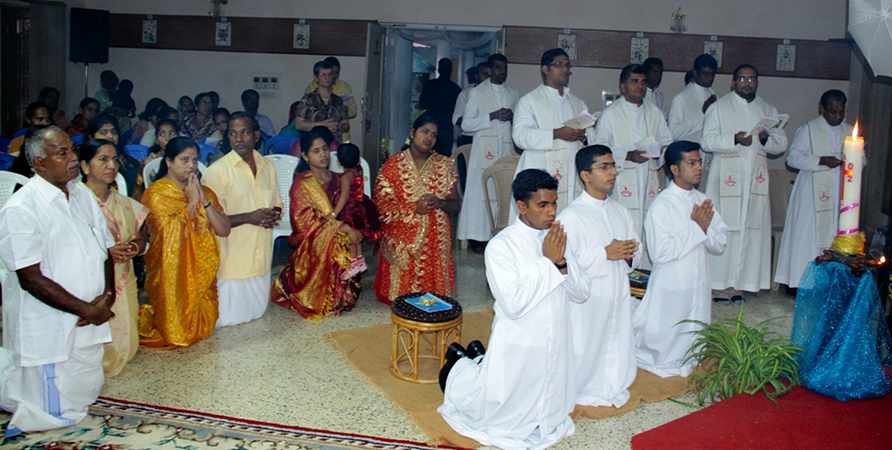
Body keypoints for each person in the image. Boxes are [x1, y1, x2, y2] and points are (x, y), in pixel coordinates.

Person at [438, 169, 577, 449]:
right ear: (521, 206)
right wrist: (548, 262)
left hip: (554, 336)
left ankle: (476, 358)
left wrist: (562, 263)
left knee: (548, 390)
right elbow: (513, 304)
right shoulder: (501, 246)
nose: (551, 212)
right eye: (542, 205)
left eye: (554, 203)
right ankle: (458, 367)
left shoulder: (556, 237)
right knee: (492, 405)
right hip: (519, 341)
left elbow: (580, 292)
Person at [0, 126, 115, 435]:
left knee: (86, 387)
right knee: (50, 410)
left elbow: (105, 249)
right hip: (50, 319)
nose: (73, 158)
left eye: (72, 150)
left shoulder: (82, 194)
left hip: (89, 315)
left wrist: (108, 295)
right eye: (62, 153)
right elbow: (31, 279)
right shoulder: (21, 208)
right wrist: (85, 309)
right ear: (39, 163)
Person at [633, 141, 728, 378]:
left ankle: (692, 356)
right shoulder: (662, 205)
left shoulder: (703, 200)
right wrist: (697, 228)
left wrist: (703, 229)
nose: (699, 168)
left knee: (695, 325)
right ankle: (663, 358)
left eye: (700, 162)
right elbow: (660, 252)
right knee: (667, 336)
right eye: (692, 163)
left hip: (699, 277)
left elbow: (719, 243)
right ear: (674, 169)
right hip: (672, 282)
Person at [559, 144, 641, 408]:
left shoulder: (621, 211)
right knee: (587, 342)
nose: (612, 172)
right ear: (585, 175)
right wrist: (604, 253)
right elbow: (564, 265)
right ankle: (583, 385)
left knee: (617, 337)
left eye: (613, 166)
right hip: (588, 299)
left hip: (617, 289)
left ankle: (614, 381)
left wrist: (629, 253)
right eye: (604, 167)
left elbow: (635, 251)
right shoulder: (571, 216)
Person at [701, 64, 788, 298]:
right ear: (733, 81)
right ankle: (718, 282)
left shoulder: (767, 109)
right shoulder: (719, 107)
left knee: (752, 228)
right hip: (725, 178)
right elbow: (706, 141)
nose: (747, 83)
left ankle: (746, 282)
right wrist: (735, 139)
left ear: (757, 82)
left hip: (755, 180)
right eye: (742, 78)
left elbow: (781, 145)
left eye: (752, 79)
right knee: (725, 226)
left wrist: (765, 138)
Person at [139, 137, 230, 347]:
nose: (191, 165)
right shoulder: (157, 194)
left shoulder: (205, 191)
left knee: (203, 328)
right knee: (175, 333)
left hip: (201, 268)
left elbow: (224, 230)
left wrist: (203, 200)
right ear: (169, 162)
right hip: (170, 270)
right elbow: (168, 238)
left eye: (195, 160)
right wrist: (191, 203)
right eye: (184, 159)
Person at [272, 127, 365, 319]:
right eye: (316, 151)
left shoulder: (336, 178)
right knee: (339, 242)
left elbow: (347, 209)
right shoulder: (302, 184)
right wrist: (341, 227)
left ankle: (343, 295)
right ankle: (327, 298)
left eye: (325, 149)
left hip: (334, 230)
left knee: (351, 238)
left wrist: (348, 225)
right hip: (310, 239)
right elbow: (303, 222)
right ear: (305, 156)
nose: (323, 154)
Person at [204, 113, 282, 327]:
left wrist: (273, 214)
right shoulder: (217, 172)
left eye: (245, 132)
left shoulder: (267, 166)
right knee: (230, 319)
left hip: (261, 251)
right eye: (233, 133)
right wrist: (250, 217)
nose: (238, 139)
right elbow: (209, 219)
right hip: (233, 257)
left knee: (257, 314)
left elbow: (276, 201)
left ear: (256, 136)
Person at [79, 139, 149, 376]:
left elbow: (141, 237)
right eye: (103, 159)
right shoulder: (74, 203)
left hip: (123, 276)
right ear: (85, 166)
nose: (112, 165)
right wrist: (107, 252)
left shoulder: (124, 203)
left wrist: (134, 247)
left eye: (115, 160)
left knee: (126, 342)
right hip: (89, 279)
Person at [592, 63, 673, 269]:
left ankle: (644, 271)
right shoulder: (610, 114)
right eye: (634, 81)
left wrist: (659, 151)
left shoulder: (654, 112)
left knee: (647, 225)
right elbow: (599, 149)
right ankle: (623, 271)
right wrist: (627, 155)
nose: (640, 86)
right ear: (622, 86)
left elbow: (667, 142)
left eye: (643, 82)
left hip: (648, 178)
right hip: (621, 179)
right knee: (624, 224)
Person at [374, 113, 460, 304]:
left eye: (434, 135)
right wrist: (415, 208)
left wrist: (440, 203)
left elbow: (456, 205)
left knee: (435, 302)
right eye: (424, 131)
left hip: (437, 240)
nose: (429, 137)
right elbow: (382, 207)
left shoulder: (445, 165)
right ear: (413, 133)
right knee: (403, 303)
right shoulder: (392, 166)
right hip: (403, 239)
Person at [775, 90, 853, 289]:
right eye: (832, 111)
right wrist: (821, 160)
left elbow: (860, 160)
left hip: (838, 193)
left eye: (841, 111)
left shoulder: (849, 131)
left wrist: (853, 161)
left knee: (833, 234)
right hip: (810, 193)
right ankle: (802, 282)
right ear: (822, 109)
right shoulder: (807, 130)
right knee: (806, 236)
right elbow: (793, 159)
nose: (837, 116)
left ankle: (829, 284)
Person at [512, 48, 595, 214]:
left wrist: (583, 136)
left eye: (567, 65)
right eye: (559, 65)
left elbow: (592, 138)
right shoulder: (529, 101)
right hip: (540, 168)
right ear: (545, 69)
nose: (565, 69)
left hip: (571, 170)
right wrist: (557, 133)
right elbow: (520, 137)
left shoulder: (578, 103)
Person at [457, 54, 519, 252]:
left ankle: (501, 235)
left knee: (503, 191)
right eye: (498, 68)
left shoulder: (513, 94)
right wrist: (491, 116)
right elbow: (466, 124)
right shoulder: (477, 92)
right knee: (480, 192)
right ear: (490, 70)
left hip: (505, 149)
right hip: (483, 150)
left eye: (505, 68)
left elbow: (519, 123)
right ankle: (478, 237)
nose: (502, 72)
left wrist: (512, 117)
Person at [291, 60, 350, 148]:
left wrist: (341, 126)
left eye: (330, 74)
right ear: (316, 78)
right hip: (314, 147)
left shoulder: (338, 100)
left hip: (335, 146)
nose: (327, 78)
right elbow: (298, 125)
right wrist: (322, 125)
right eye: (323, 75)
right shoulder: (307, 99)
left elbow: (345, 124)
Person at [333, 142, 381, 242]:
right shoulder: (359, 170)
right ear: (358, 159)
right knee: (359, 236)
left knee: (351, 239)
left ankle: (354, 251)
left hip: (350, 210)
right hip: (362, 205)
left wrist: (334, 213)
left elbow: (344, 197)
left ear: (339, 161)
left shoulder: (345, 177)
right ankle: (359, 251)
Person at [419, 58, 462, 155]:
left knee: (428, 156)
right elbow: (459, 111)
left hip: (430, 126)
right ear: (451, 70)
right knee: (443, 158)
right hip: (446, 127)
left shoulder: (430, 85)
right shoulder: (455, 89)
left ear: (439, 70)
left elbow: (422, 104)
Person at [304, 56, 357, 123]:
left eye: (336, 72)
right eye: (331, 73)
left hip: (338, 126)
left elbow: (353, 112)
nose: (334, 76)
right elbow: (305, 114)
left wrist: (338, 112)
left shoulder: (344, 87)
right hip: (317, 126)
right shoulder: (311, 87)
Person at [453, 64, 482, 147]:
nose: (488, 78)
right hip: (467, 137)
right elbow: (456, 119)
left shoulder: (494, 95)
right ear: (477, 76)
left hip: (487, 138)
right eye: (485, 74)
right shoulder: (465, 93)